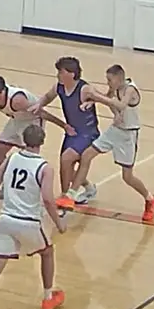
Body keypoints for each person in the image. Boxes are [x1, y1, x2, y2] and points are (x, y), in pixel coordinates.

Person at [0, 124, 66, 309]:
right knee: (47, 252)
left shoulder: (11, 159)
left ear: (23, 140)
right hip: (29, 222)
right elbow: (48, 200)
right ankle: (48, 297)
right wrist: (59, 223)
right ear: (42, 141)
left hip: (6, 220)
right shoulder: (45, 167)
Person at [55, 65, 154, 222]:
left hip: (128, 135)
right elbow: (108, 99)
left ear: (119, 78)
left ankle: (150, 199)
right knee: (86, 155)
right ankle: (71, 194)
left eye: (110, 80)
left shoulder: (130, 89)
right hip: (114, 131)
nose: (108, 83)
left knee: (127, 177)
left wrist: (97, 99)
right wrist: (93, 102)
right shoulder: (114, 88)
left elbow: (121, 105)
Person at [0, 75, 73, 168]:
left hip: (33, 121)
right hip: (17, 119)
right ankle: (9, 178)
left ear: (4, 89)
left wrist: (64, 126)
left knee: (28, 158)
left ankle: (30, 182)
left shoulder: (17, 100)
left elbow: (42, 113)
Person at [30, 57, 99, 205]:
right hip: (71, 131)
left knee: (66, 159)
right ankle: (87, 188)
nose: (58, 75)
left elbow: (103, 97)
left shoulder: (85, 89)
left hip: (88, 132)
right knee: (66, 166)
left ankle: (66, 197)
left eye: (61, 72)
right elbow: (48, 96)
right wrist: (39, 104)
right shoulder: (59, 87)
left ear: (72, 74)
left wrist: (92, 101)